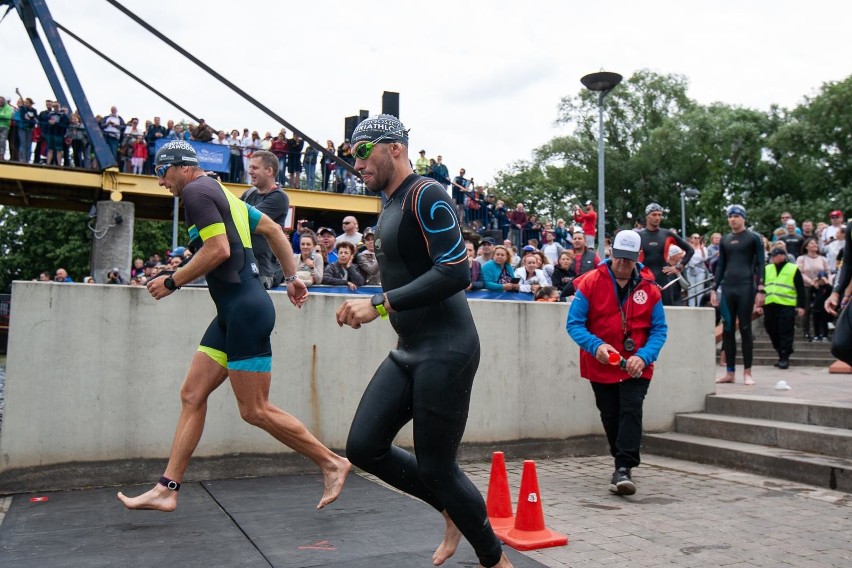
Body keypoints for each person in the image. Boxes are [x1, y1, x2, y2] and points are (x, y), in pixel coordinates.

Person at [117, 141, 349, 512]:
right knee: (192, 394)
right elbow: (273, 229)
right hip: (233, 312)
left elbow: (219, 250)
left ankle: (332, 462)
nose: (161, 183)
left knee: (254, 409)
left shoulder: (195, 191)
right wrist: (292, 277)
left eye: (161, 173)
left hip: (245, 310)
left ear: (179, 167)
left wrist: (173, 280)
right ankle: (167, 488)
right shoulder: (219, 192)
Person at [335, 115, 512, 568]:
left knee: (437, 467)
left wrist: (379, 305)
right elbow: (408, 272)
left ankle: (495, 559)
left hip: (447, 347)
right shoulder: (389, 204)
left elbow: (456, 273)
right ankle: (451, 509)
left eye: (361, 151)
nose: (355, 164)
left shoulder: (427, 194)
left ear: (394, 147)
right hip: (411, 348)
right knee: (364, 446)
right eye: (350, 154)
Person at [566, 229, 667, 496]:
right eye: (618, 258)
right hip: (601, 363)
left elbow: (659, 330)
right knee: (610, 415)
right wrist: (595, 345)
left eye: (628, 260)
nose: (622, 264)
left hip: (637, 365)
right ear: (611, 254)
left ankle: (623, 468)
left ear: (639, 257)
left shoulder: (650, 287)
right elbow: (574, 324)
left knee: (631, 410)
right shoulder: (589, 282)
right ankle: (620, 460)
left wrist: (643, 356)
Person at [711, 205, 765, 386]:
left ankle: (747, 372)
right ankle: (730, 372)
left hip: (746, 287)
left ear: (743, 218)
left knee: (745, 328)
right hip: (728, 288)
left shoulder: (753, 238)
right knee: (727, 329)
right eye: (730, 216)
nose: (732, 219)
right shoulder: (725, 240)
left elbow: (760, 264)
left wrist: (761, 289)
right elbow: (720, 266)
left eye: (736, 216)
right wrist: (714, 288)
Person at [240, 150, 290, 289]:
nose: (250, 172)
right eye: (250, 167)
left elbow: (244, 218)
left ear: (269, 171)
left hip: (261, 272)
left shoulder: (279, 197)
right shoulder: (249, 193)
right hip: (241, 267)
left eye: (255, 168)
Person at [758, 247, 805, 369]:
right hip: (769, 304)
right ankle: (781, 352)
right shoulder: (767, 268)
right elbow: (760, 286)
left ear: (783, 256)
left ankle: (784, 357)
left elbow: (800, 289)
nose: (772, 258)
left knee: (785, 331)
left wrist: (801, 306)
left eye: (775, 255)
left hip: (786, 305)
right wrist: (758, 304)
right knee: (771, 330)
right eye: (772, 256)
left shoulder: (793, 268)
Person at [638, 203, 694, 306]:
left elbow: (690, 250)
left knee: (667, 314)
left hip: (663, 281)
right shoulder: (638, 236)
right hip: (644, 280)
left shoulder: (666, 234)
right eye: (654, 214)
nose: (657, 218)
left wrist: (678, 267)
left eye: (660, 215)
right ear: (647, 216)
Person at [796, 237, 829, 341]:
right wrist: (811, 281)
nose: (815, 245)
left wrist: (826, 282)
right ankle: (806, 332)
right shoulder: (801, 258)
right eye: (812, 243)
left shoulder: (823, 259)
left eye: (816, 243)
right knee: (806, 309)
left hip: (820, 287)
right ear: (806, 246)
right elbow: (799, 272)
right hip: (806, 286)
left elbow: (828, 271)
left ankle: (821, 333)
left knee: (820, 310)